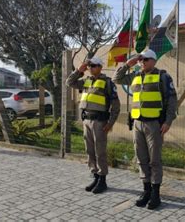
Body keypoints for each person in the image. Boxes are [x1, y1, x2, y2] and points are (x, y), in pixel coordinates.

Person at [113, 49, 177, 210]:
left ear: (154, 61)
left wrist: (168, 121)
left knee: (154, 160)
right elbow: (116, 78)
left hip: (154, 123)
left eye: (146, 59)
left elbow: (172, 100)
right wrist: (128, 64)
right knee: (141, 158)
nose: (142, 62)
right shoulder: (135, 76)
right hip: (137, 123)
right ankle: (146, 190)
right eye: (141, 60)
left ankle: (156, 193)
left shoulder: (163, 76)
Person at [66, 57, 120, 194]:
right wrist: (79, 70)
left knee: (99, 151)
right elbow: (69, 82)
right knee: (89, 150)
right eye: (89, 65)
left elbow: (116, 106)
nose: (91, 68)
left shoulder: (108, 83)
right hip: (86, 121)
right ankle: (95, 176)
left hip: (99, 122)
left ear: (100, 67)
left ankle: (102, 180)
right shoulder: (86, 81)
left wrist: (110, 123)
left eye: (94, 65)